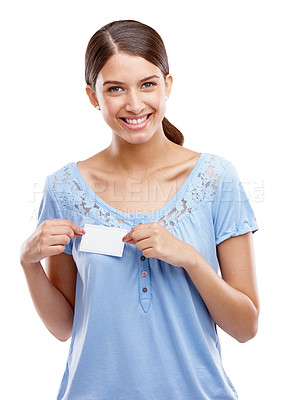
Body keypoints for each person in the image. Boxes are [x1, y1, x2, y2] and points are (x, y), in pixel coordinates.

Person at [20, 19, 260, 400]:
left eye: (148, 84)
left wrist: (192, 260)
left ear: (167, 85)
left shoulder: (216, 178)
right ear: (93, 96)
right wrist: (29, 263)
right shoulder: (64, 188)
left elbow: (246, 327)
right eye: (115, 89)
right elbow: (65, 326)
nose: (134, 104)